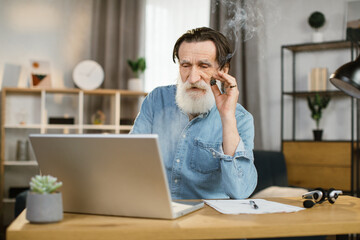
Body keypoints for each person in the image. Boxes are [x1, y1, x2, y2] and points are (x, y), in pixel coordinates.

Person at [130, 27, 257, 200]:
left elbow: (240, 191)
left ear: (223, 71)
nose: (192, 78)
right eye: (186, 66)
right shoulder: (156, 99)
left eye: (203, 66)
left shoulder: (241, 119)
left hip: (207, 219)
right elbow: (130, 161)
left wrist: (227, 116)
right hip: (157, 210)